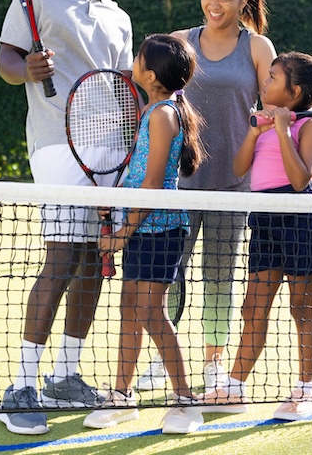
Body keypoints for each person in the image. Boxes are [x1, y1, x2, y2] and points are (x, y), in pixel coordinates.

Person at [137, 0, 312, 400]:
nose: (214, 6)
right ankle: (161, 361)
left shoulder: (258, 47)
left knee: (219, 276)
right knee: (169, 275)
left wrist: (305, 152)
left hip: (237, 185)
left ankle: (214, 363)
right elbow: (156, 96)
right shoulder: (180, 41)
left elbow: (278, 103)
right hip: (180, 182)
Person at [0, 0, 139, 435]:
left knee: (92, 259)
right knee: (61, 257)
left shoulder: (120, 19)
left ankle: (66, 374)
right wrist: (26, 69)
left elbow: (126, 88)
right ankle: (22, 385)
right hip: (57, 144)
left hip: (109, 152)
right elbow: (6, 59)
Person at [82, 34, 207, 434]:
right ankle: (122, 395)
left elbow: (153, 184)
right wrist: (116, 202)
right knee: (130, 311)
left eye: (138, 59)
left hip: (160, 229)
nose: (132, 61)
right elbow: (138, 177)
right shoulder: (154, 108)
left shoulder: (162, 114)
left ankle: (185, 400)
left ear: (150, 74)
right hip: (141, 226)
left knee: (151, 314)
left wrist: (121, 232)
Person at [201, 51, 312, 421]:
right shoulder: (258, 121)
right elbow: (240, 167)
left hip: (300, 218)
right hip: (264, 218)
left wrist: (281, 131)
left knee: (301, 309)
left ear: (293, 92)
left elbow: (298, 180)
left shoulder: (309, 128)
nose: (265, 82)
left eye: (273, 78)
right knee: (252, 308)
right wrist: (257, 131)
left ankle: (305, 391)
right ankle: (234, 389)